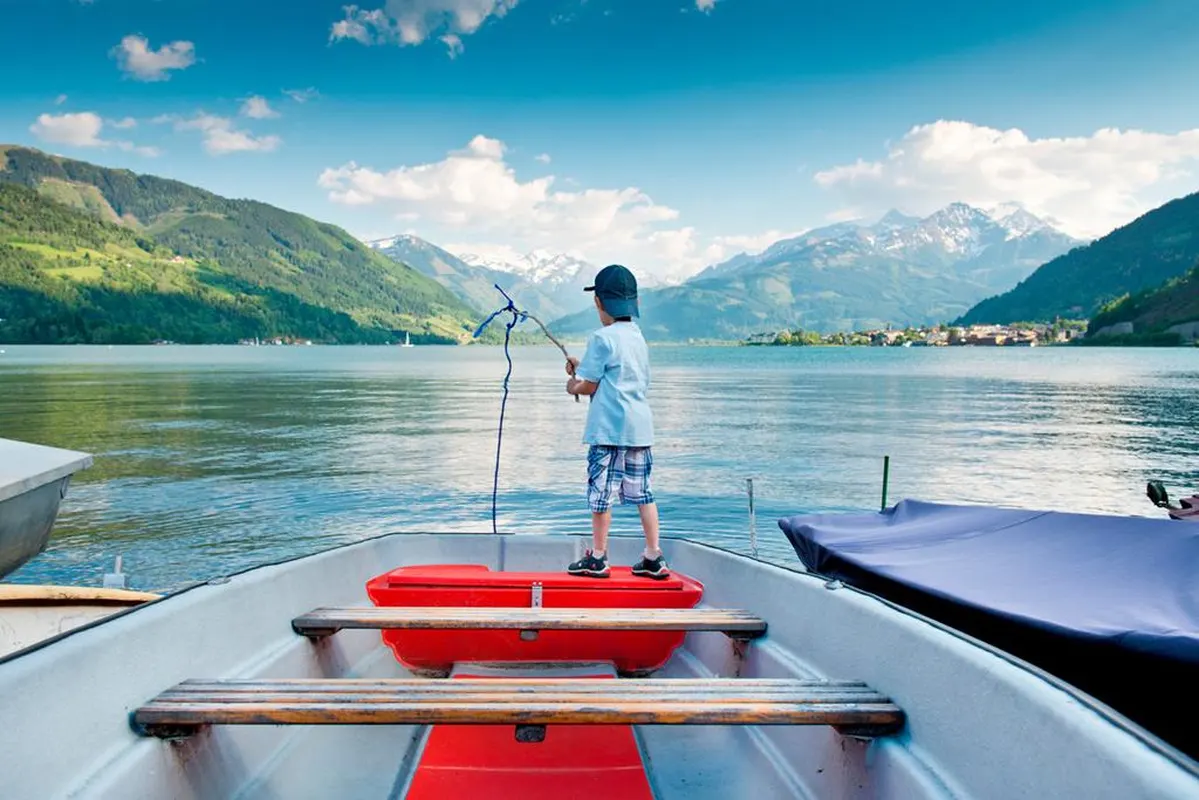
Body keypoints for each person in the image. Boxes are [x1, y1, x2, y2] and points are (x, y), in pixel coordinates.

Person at [564, 264, 667, 579]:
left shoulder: (600, 337)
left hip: (608, 431)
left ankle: (598, 557)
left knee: (601, 496)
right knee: (643, 494)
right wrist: (582, 369)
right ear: (634, 303)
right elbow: (614, 374)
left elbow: (589, 385)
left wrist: (572, 385)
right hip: (640, 430)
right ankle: (653, 556)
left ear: (598, 302)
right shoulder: (638, 337)